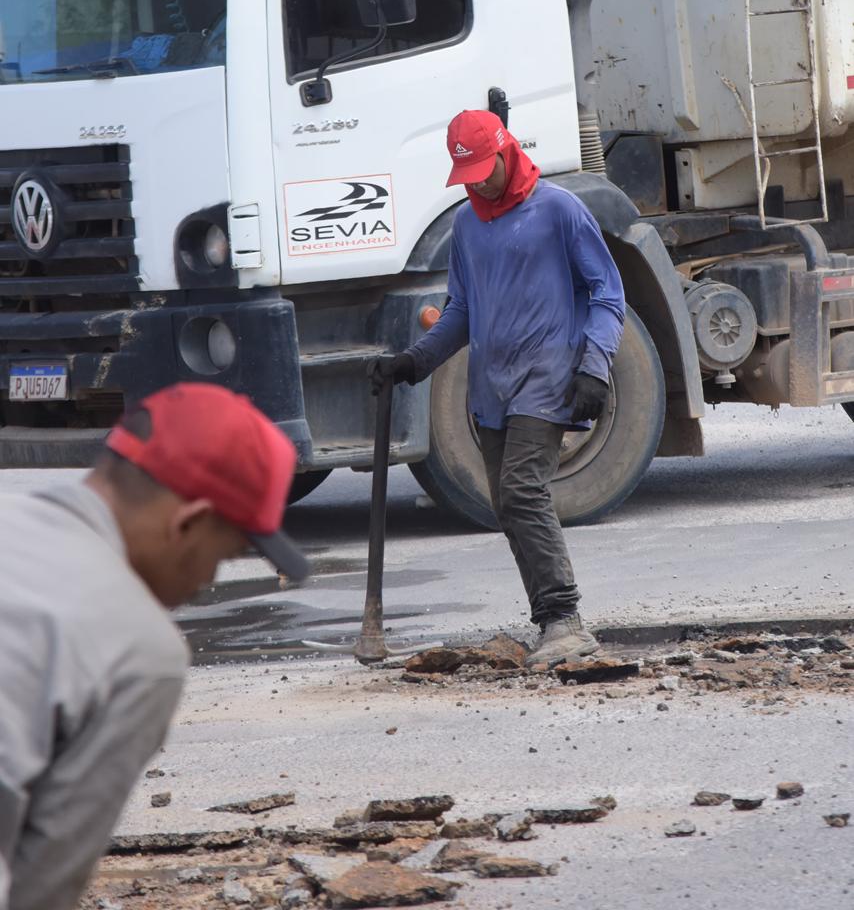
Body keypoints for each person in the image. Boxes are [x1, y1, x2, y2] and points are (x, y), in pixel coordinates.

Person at [0, 383, 307, 910]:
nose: (206, 580)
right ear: (188, 523)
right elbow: (41, 887)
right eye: (226, 554)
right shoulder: (140, 648)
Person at [368, 109, 625, 668]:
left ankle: (566, 621)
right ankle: (550, 622)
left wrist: (595, 366)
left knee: (522, 490)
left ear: (508, 152)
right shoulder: (466, 225)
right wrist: (414, 362)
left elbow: (608, 293)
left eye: (487, 169)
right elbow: (460, 311)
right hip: (491, 388)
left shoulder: (558, 209)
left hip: (548, 374)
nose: (481, 182)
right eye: (470, 175)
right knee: (506, 505)